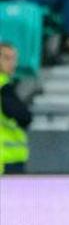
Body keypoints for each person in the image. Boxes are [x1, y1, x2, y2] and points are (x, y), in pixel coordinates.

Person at [0, 43, 32, 174]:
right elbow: (24, 117)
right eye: (6, 58)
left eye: (14, 59)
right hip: (7, 159)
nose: (12, 63)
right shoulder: (4, 88)